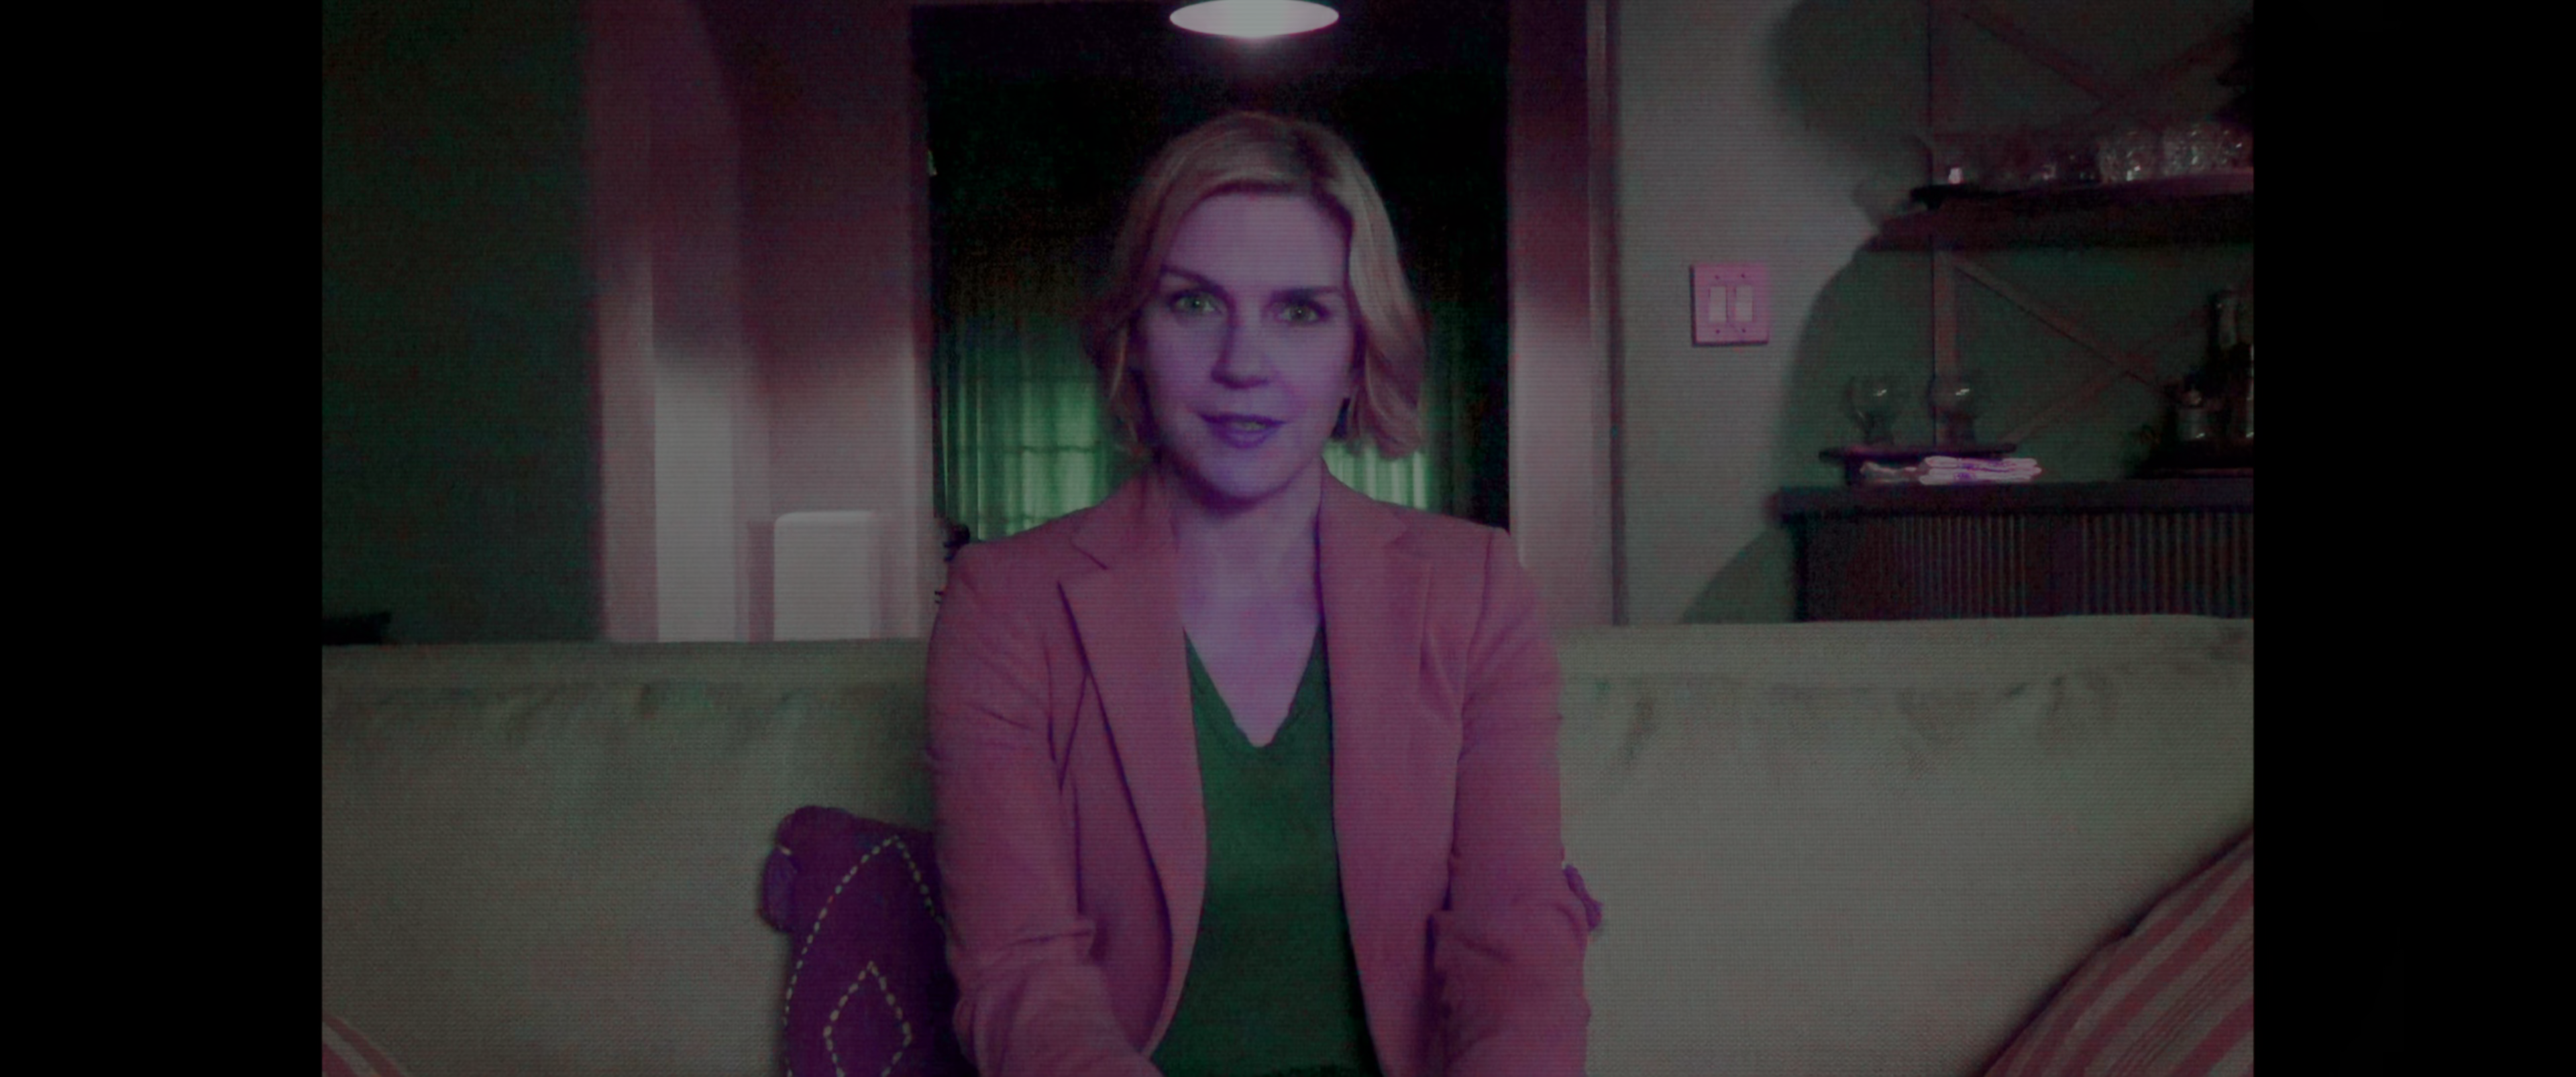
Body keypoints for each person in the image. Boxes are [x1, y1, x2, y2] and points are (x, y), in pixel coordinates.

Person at [926, 111, 1592, 1077]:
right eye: (1194, 303)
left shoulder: (1477, 590)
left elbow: (1516, 942)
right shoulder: (1004, 604)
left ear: (1359, 349)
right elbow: (1020, 975)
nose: (1243, 363)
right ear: (1134, 335)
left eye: (1301, 311)